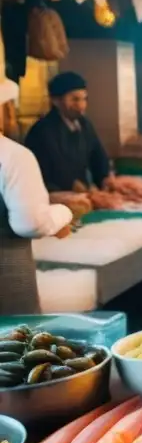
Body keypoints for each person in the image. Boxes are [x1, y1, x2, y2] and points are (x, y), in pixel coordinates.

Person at [0, 78, 74, 314]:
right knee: (14, 348)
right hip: (7, 287)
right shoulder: (13, 156)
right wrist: (63, 213)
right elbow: (30, 224)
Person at [24, 72, 111, 192]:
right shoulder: (42, 131)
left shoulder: (85, 124)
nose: (81, 105)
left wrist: (104, 179)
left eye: (84, 99)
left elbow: (98, 156)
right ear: (56, 101)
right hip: (53, 195)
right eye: (74, 99)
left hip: (81, 193)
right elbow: (51, 169)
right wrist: (72, 185)